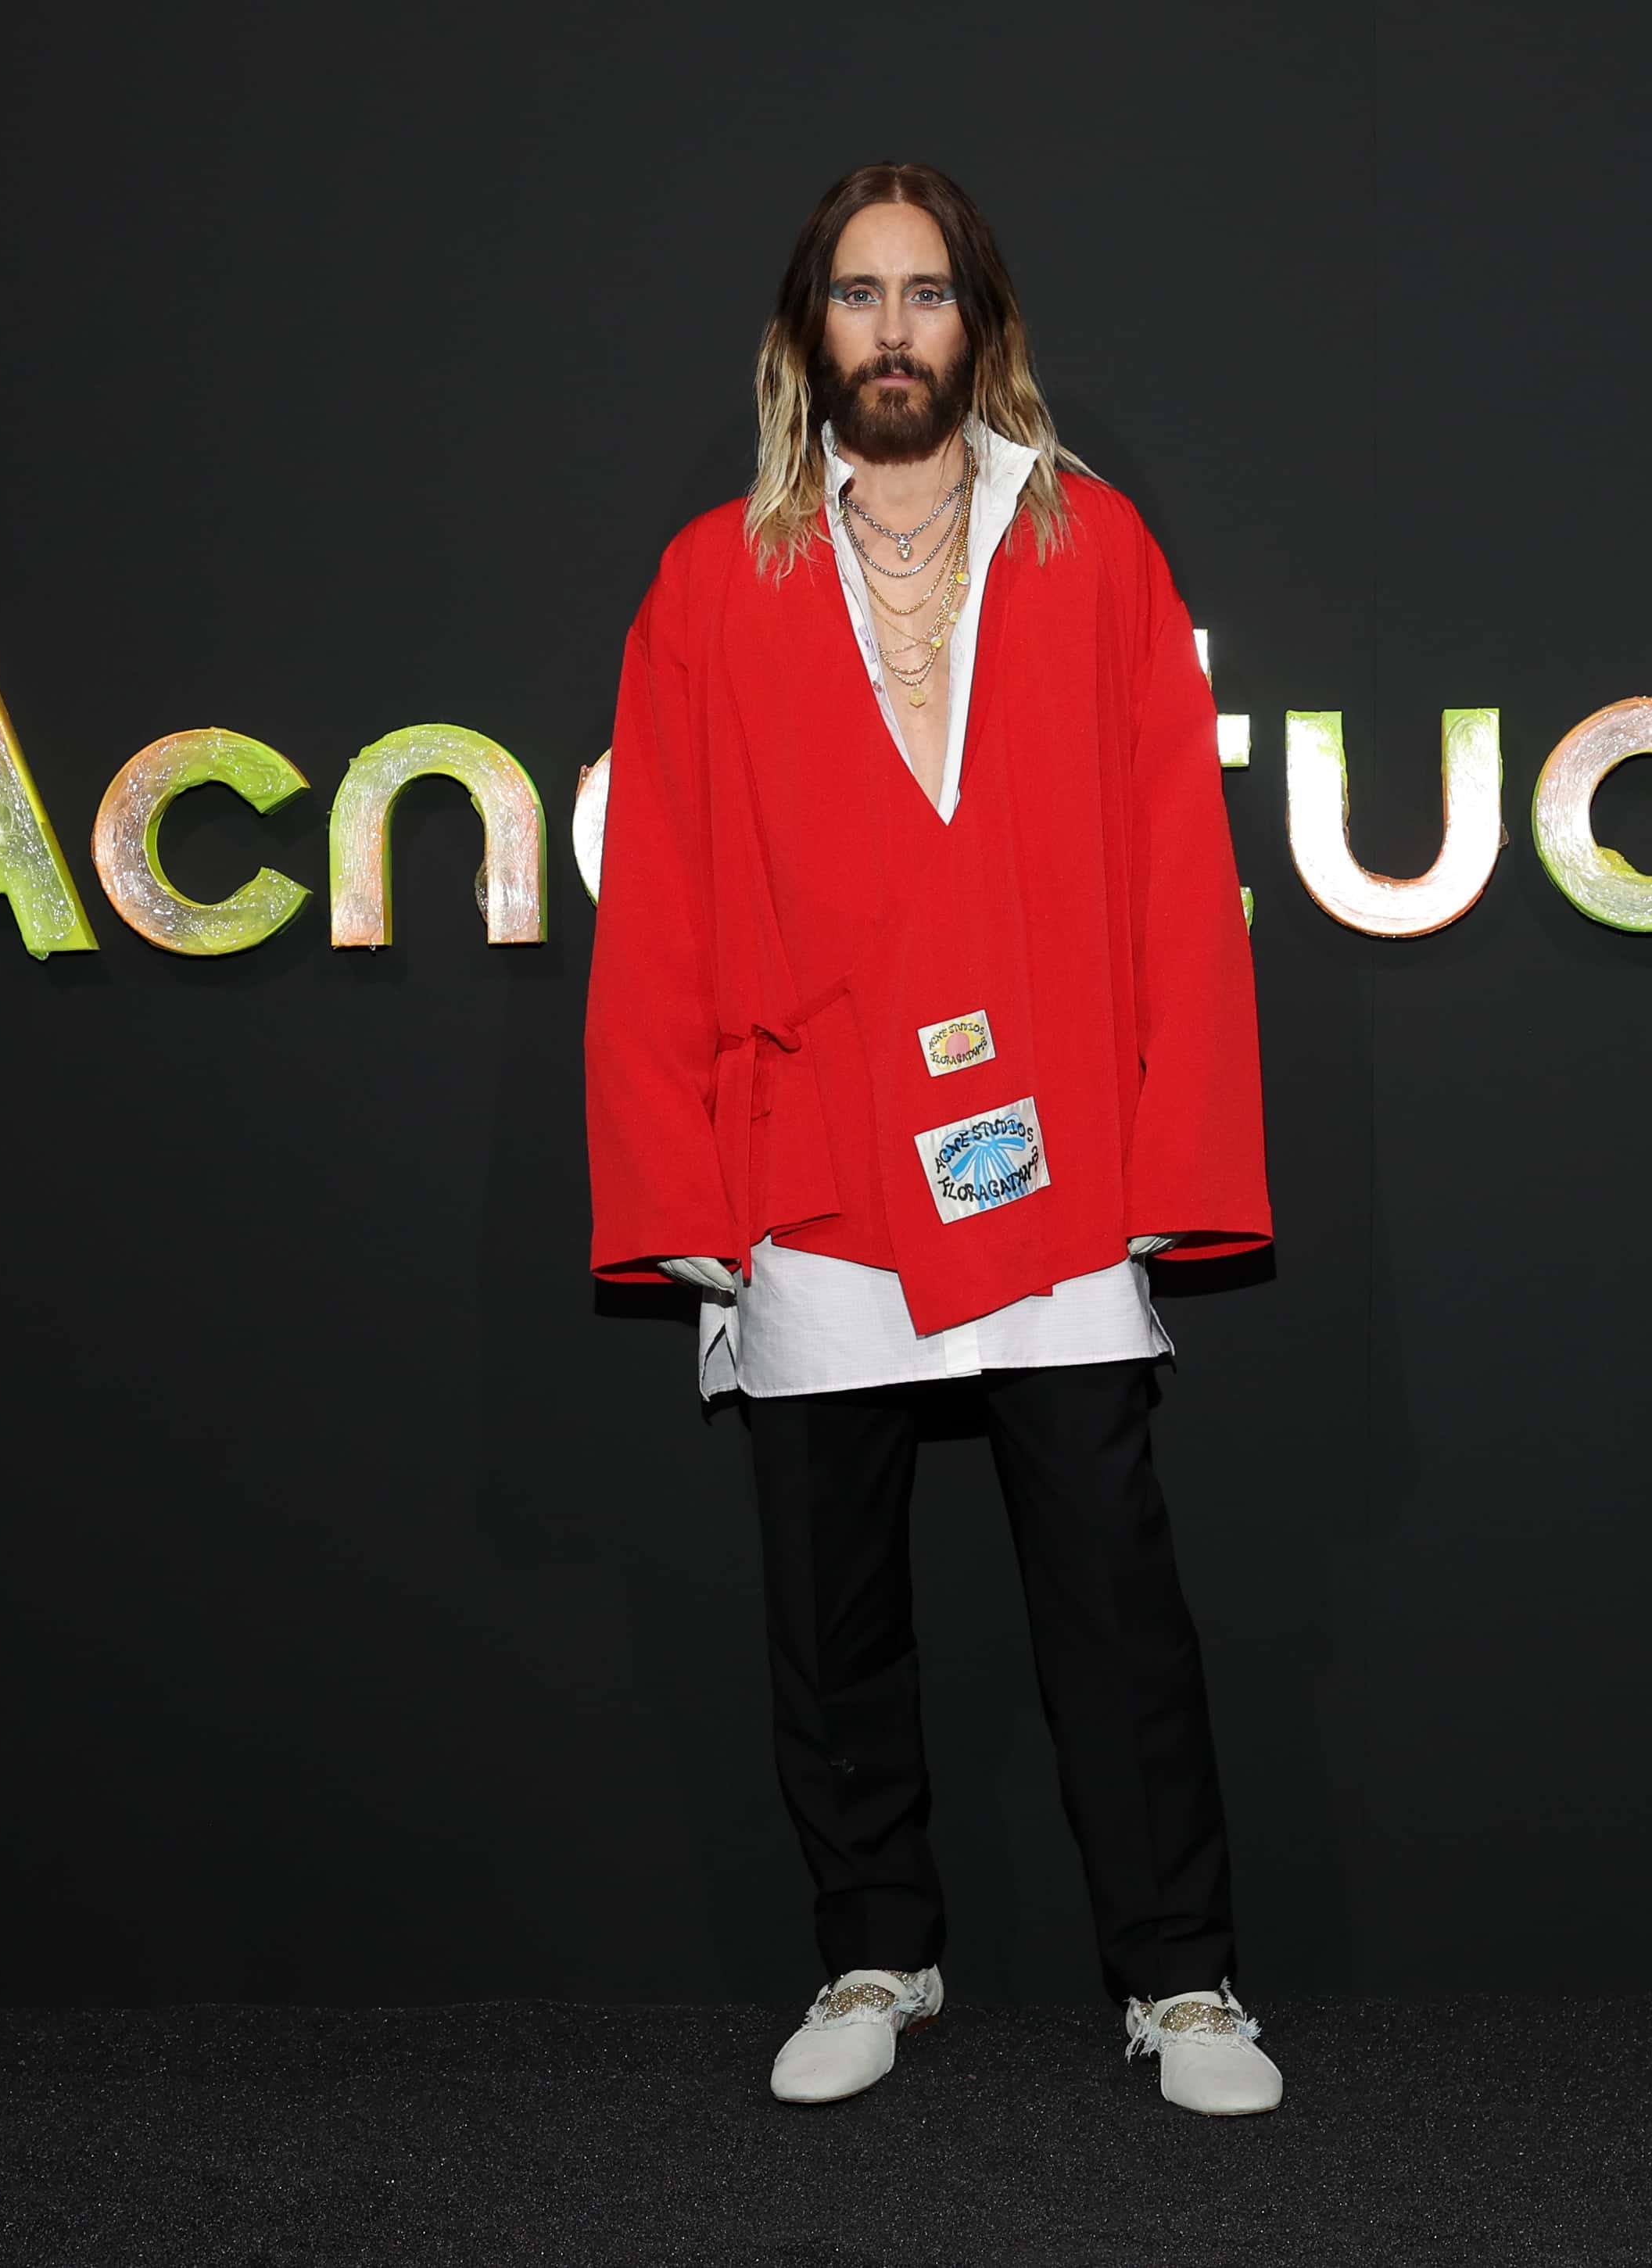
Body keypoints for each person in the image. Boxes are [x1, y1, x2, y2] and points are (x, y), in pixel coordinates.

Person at [583, 162, 1278, 2116]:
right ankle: (872, 1946)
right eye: (861, 295)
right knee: (831, 1595)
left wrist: (1175, 1158)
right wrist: (680, 1182)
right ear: (810, 330)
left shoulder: (1097, 549)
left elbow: (1170, 873)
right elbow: (665, 902)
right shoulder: (713, 576)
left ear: (983, 322)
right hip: (810, 1156)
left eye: (929, 293)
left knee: (1111, 1586)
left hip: (1049, 1146)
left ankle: (1186, 1978)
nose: (895, 330)